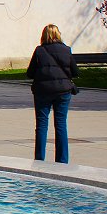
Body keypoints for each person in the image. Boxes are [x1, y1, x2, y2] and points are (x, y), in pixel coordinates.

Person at [26, 24, 78, 164]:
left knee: (42, 124)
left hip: (42, 91)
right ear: (58, 35)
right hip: (63, 91)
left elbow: (30, 73)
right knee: (61, 124)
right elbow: (75, 72)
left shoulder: (39, 51)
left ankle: (39, 158)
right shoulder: (66, 50)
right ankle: (62, 160)